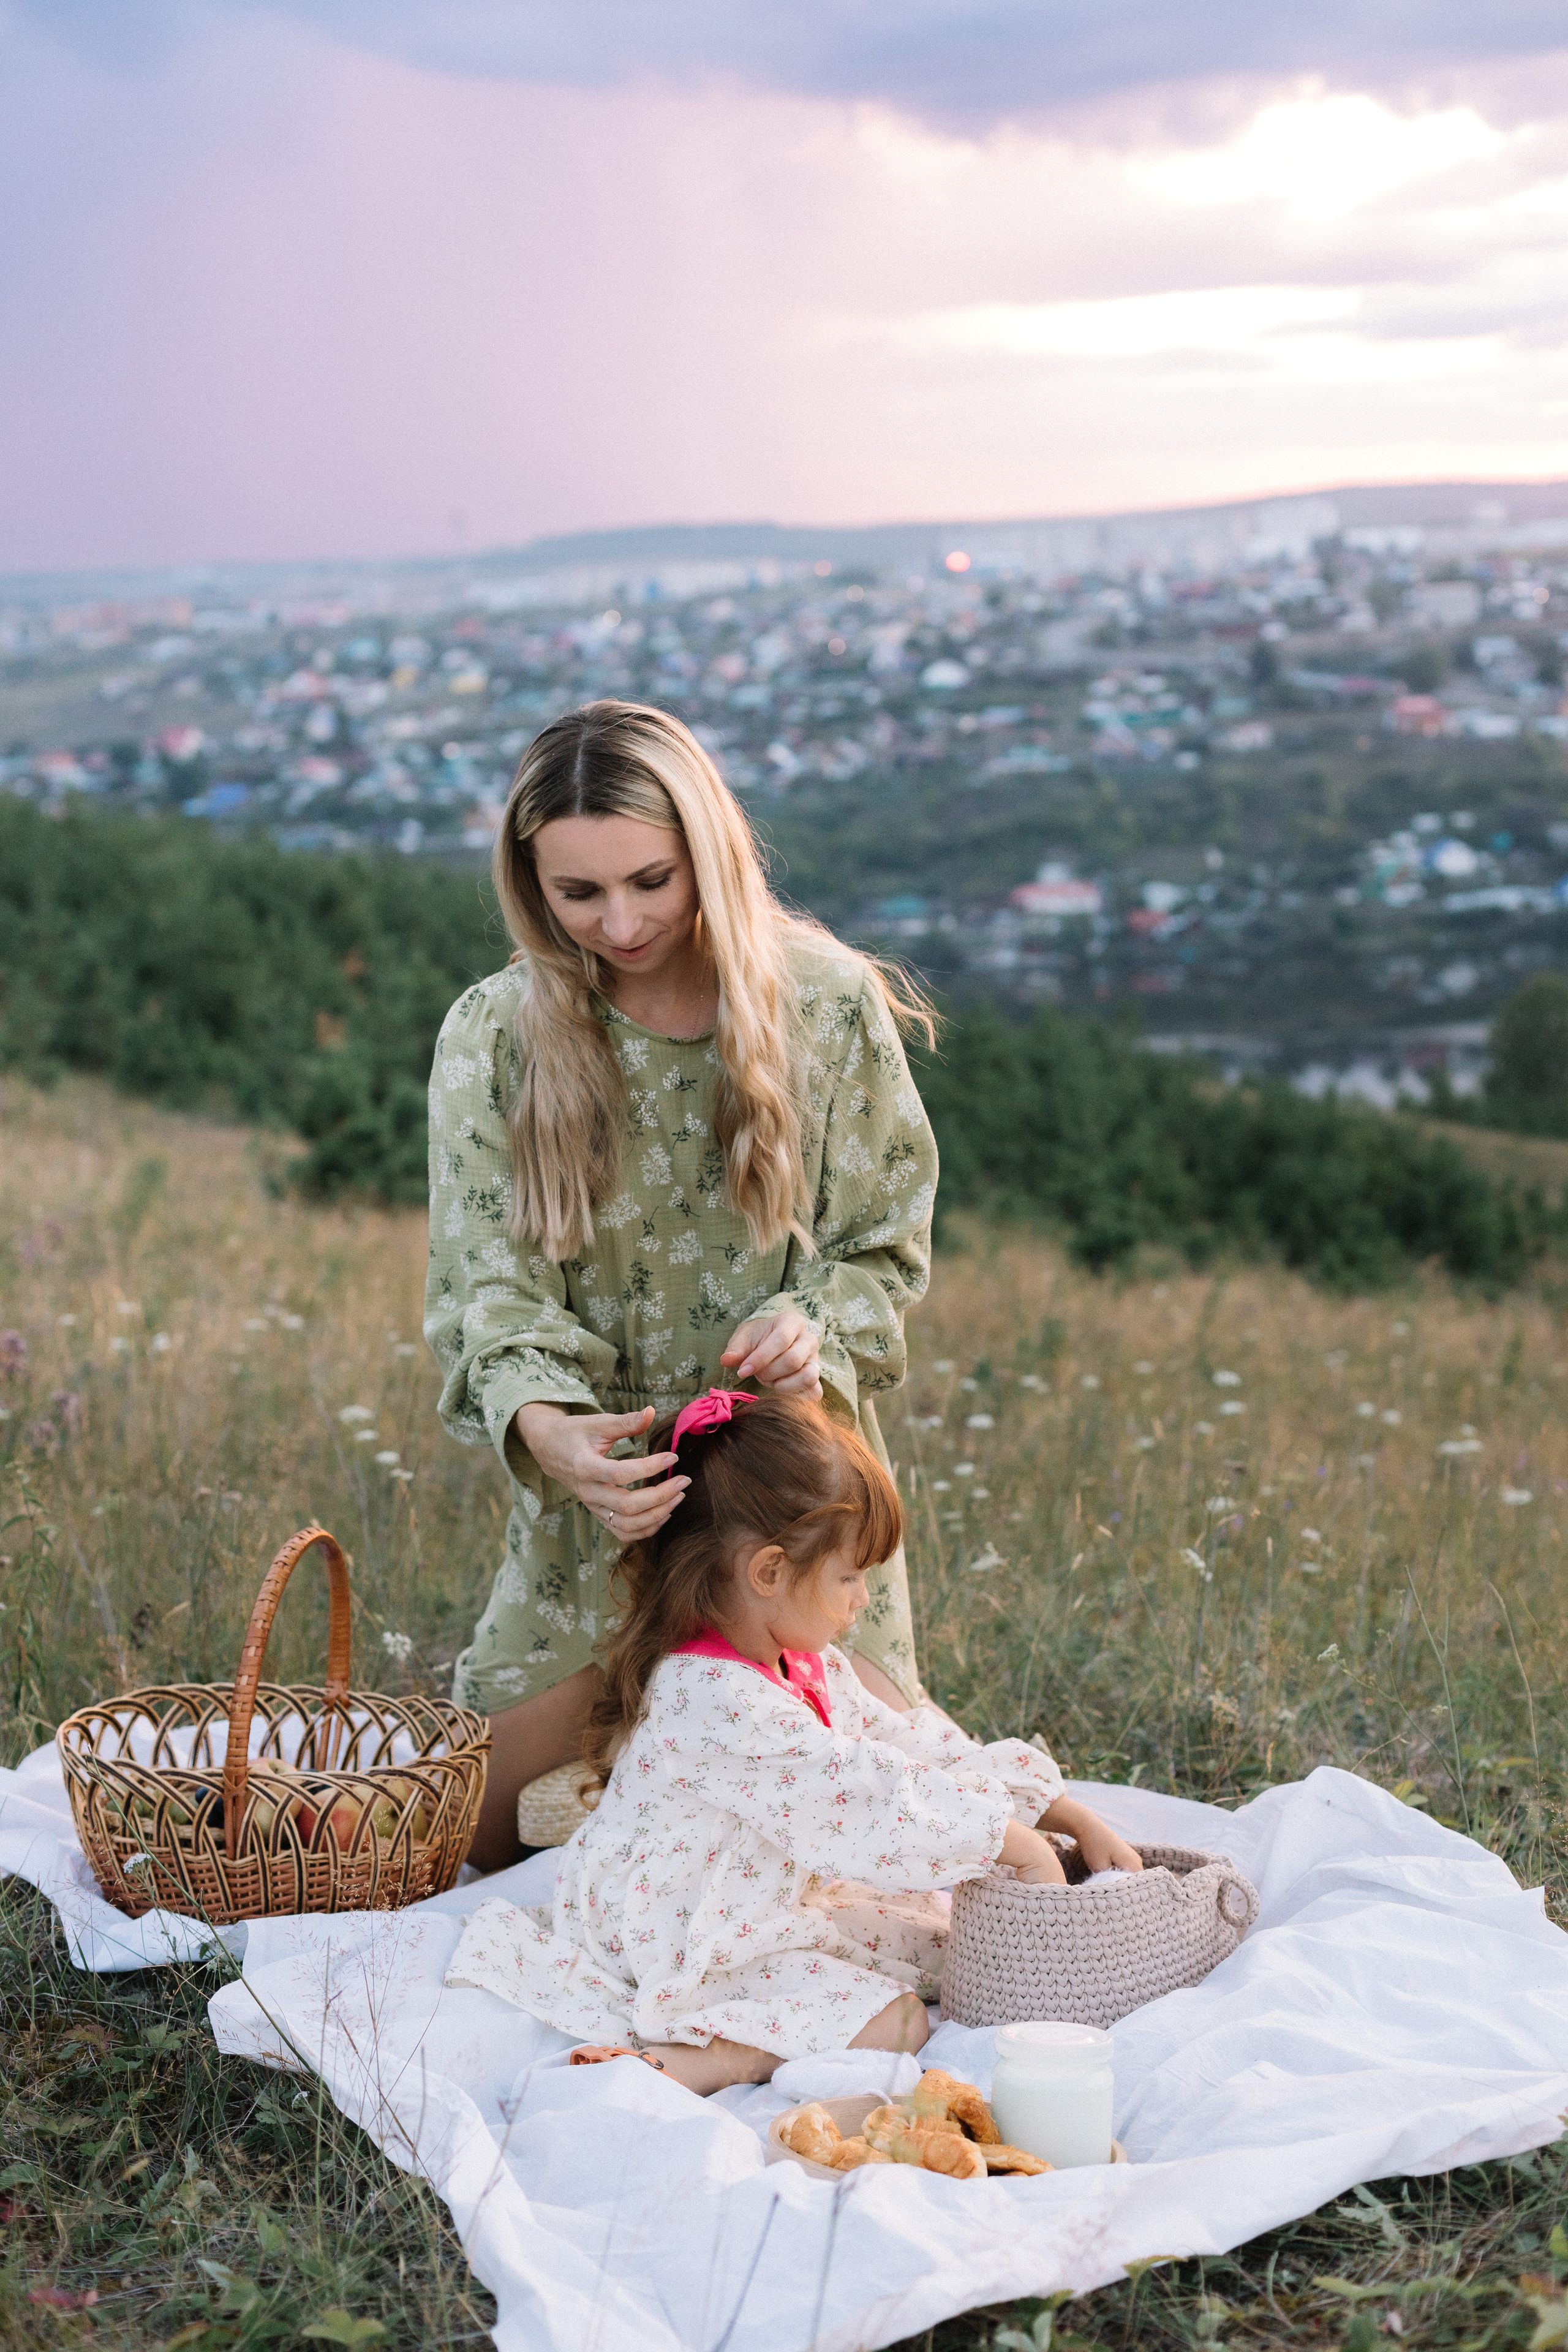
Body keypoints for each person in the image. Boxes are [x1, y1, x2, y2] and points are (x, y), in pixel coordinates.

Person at [425, 701, 940, 1868]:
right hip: (597, 1517)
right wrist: (549, 1433)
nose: (622, 922)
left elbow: (883, 1245)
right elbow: (484, 1290)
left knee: (879, 1847)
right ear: (529, 883)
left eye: (653, 880)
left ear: (707, 848)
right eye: (578, 895)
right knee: (483, 1851)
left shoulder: (827, 1004)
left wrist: (810, 1329)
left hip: (789, 1506)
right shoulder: (494, 1034)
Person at [445, 1389, 1143, 2092]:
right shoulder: (711, 1695)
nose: (863, 1599)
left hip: (743, 1889)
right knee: (899, 2019)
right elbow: (864, 1795)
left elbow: (908, 1746)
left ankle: (754, 2024)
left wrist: (1058, 1812)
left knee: (934, 1937)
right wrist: (1008, 1842)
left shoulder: (802, 1661)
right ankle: (720, 2059)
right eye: (849, 1576)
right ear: (770, 1572)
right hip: (675, 1923)